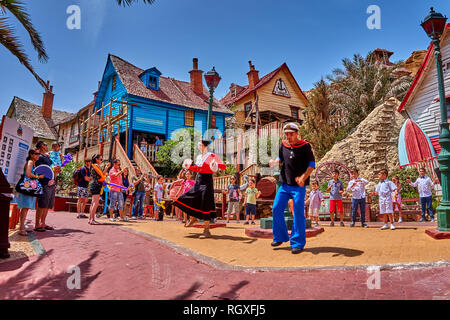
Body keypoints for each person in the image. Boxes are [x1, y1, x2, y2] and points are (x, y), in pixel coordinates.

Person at [268, 122, 315, 254]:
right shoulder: (283, 145)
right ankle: (280, 237)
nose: (288, 136)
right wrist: (276, 161)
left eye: (291, 134)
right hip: (284, 185)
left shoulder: (305, 147)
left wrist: (303, 177)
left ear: (297, 133)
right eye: (287, 134)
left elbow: (311, 165)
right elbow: (280, 158)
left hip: (298, 187)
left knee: (298, 212)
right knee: (276, 208)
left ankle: (297, 243)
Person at [175, 140, 226, 238]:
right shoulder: (198, 157)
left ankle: (206, 230)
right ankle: (193, 218)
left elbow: (223, 167)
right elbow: (198, 169)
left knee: (205, 203)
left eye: (199, 145)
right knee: (187, 197)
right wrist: (189, 167)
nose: (198, 146)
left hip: (207, 181)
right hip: (198, 180)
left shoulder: (212, 156)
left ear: (203, 145)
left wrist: (215, 165)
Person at [16, 149, 44, 236]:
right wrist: (38, 176)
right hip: (27, 187)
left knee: (25, 208)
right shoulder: (31, 162)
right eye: (36, 154)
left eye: (39, 154)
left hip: (28, 187)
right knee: (25, 208)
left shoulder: (33, 162)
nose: (38, 155)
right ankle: (21, 228)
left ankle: (22, 226)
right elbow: (28, 174)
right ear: (31, 154)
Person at [34, 140, 60, 232]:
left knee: (47, 204)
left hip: (52, 181)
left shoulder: (48, 157)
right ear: (41, 146)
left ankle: (43, 223)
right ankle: (37, 224)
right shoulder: (39, 157)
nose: (47, 145)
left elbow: (52, 166)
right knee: (42, 204)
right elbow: (39, 169)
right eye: (45, 144)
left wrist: (57, 169)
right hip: (44, 182)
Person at [89, 154, 108, 224]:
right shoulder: (96, 165)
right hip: (96, 185)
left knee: (93, 202)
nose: (101, 161)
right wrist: (106, 168)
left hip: (94, 184)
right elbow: (102, 174)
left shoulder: (93, 166)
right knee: (95, 203)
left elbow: (101, 174)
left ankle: (90, 218)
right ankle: (92, 219)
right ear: (96, 159)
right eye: (100, 159)